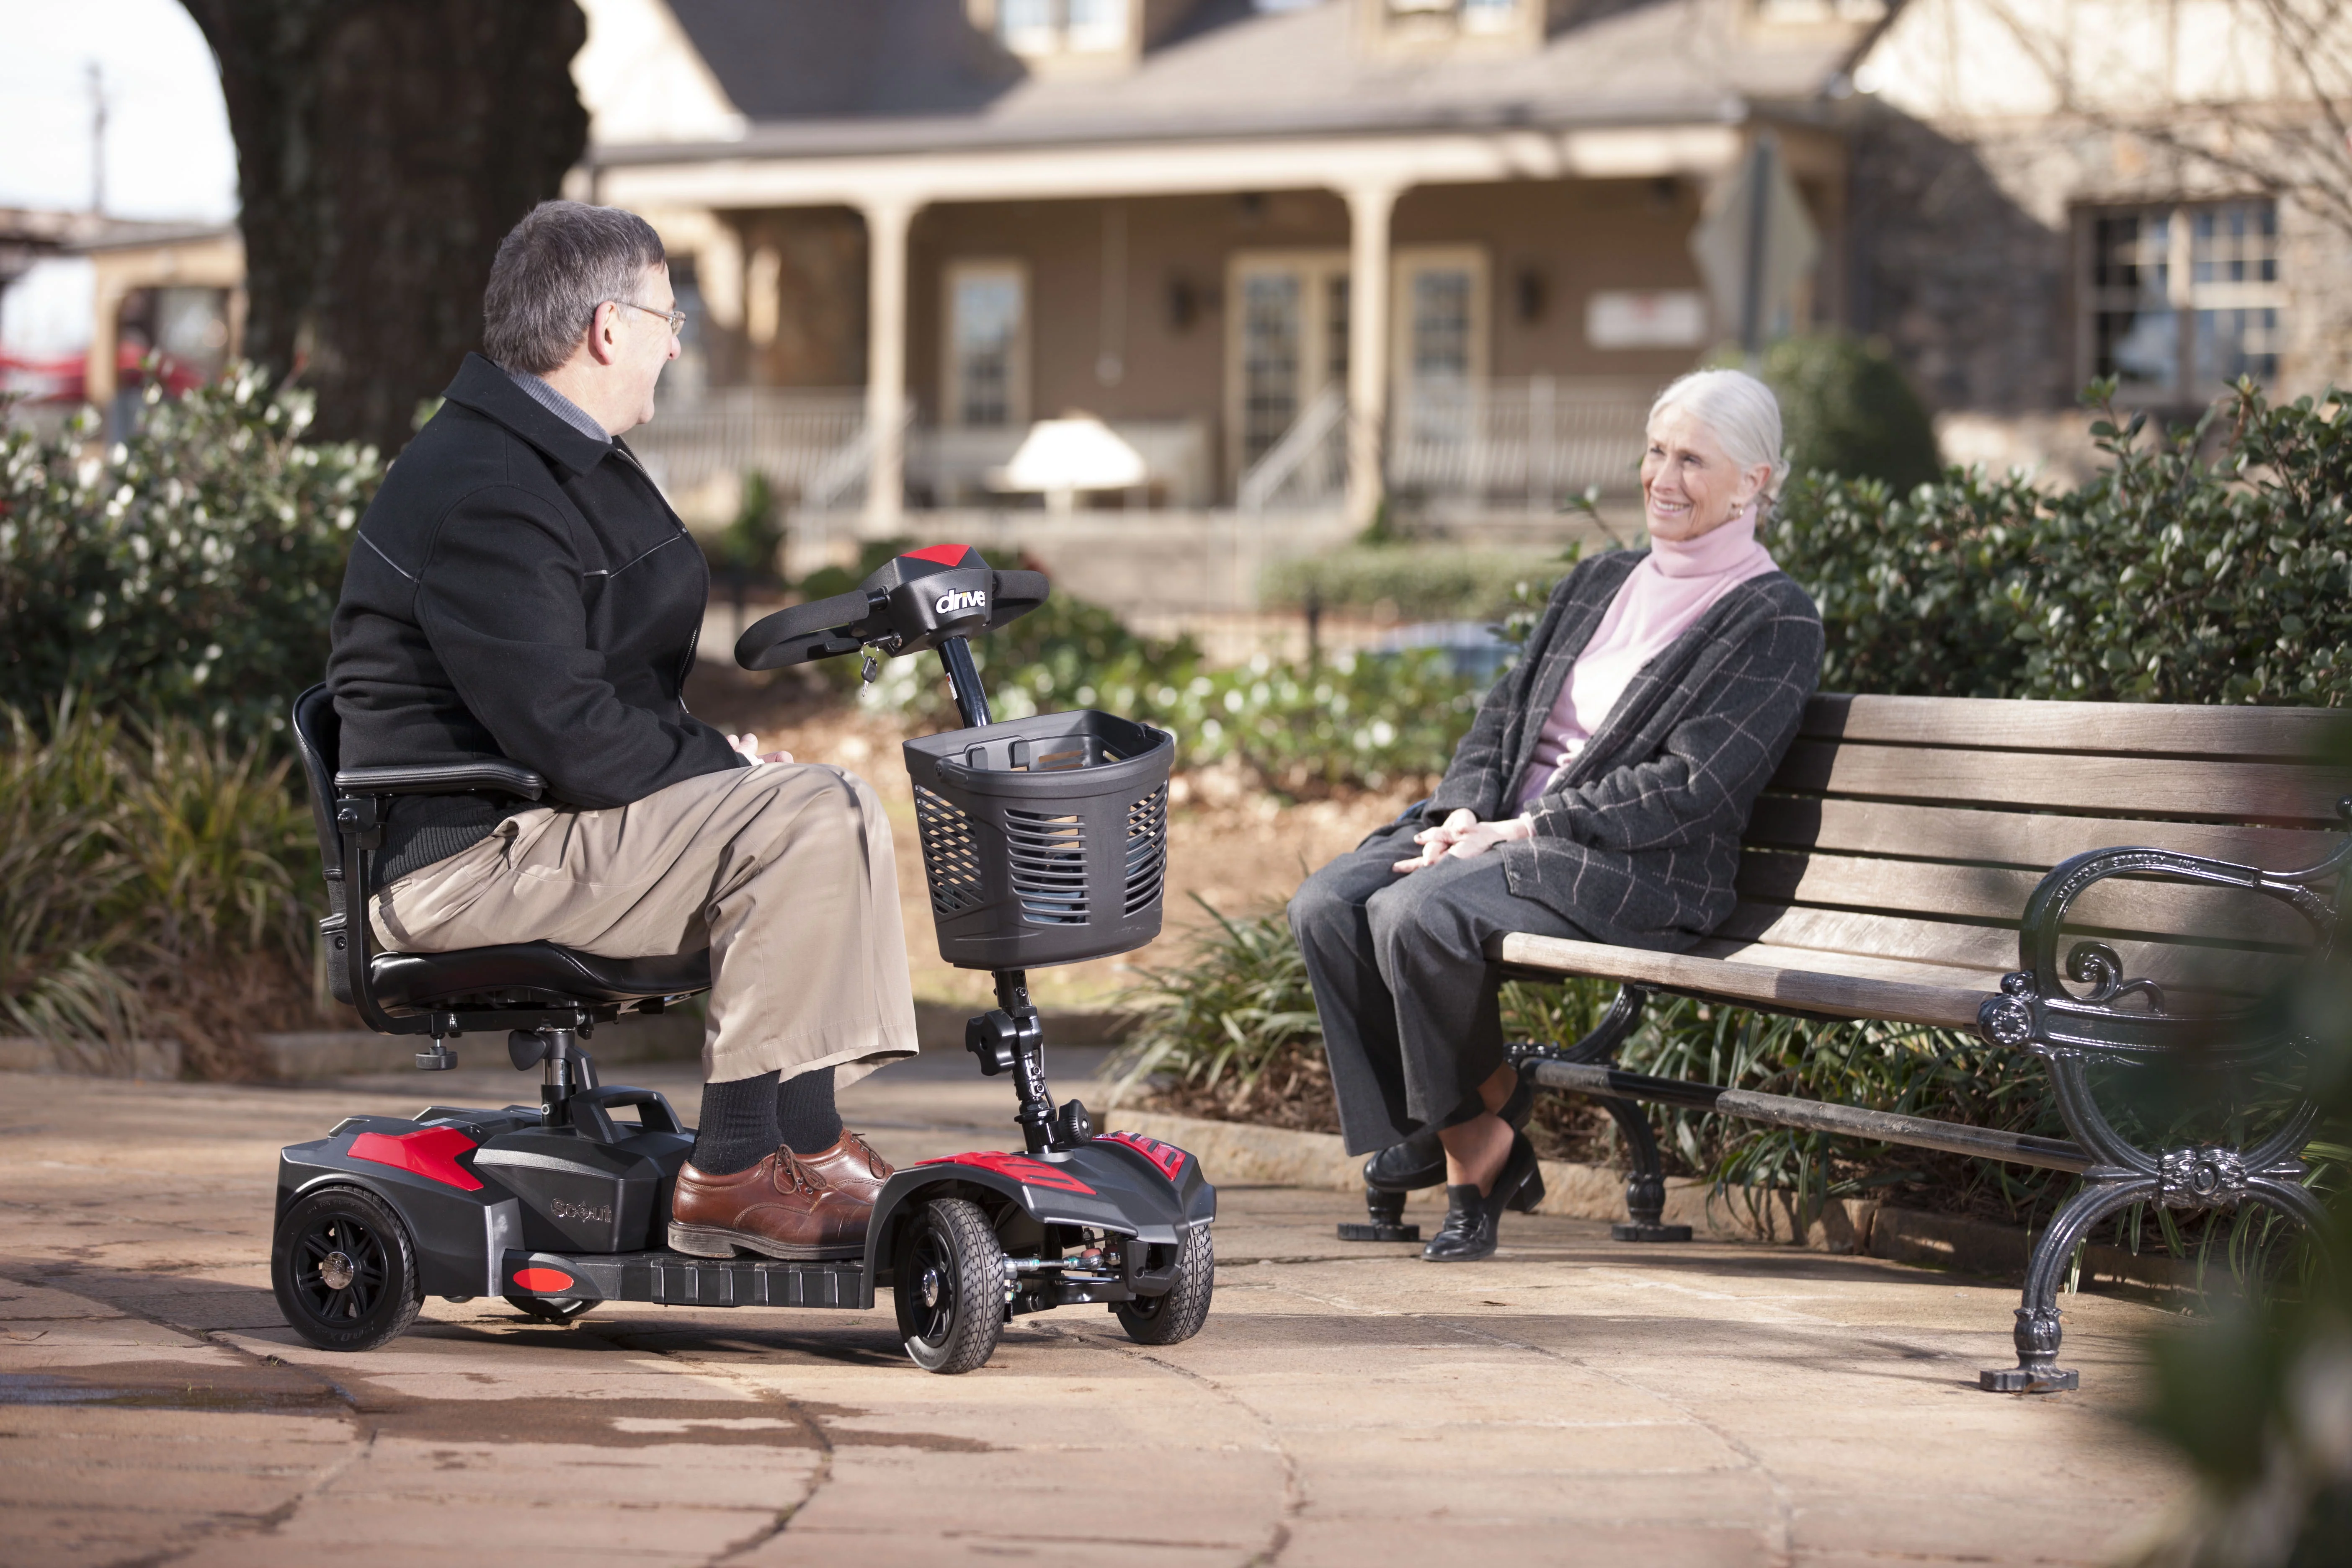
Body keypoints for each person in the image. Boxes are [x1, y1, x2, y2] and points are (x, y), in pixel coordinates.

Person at [327, 200, 918, 1262]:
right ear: (607, 328)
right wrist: (725, 764)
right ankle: (739, 1168)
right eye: (668, 315)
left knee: (825, 804)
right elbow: (573, 734)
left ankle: (806, 1142)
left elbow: (587, 715)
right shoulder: (486, 491)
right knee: (804, 812)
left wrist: (728, 772)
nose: (677, 339)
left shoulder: (548, 458)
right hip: (469, 863)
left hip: (540, 827)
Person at [1287, 369, 1824, 1263]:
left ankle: (1467, 1156)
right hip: (1498, 837)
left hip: (1641, 865)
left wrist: (1523, 829)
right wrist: (1462, 813)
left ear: (1754, 482)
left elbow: (1692, 787)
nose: (1662, 478)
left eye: (1693, 460)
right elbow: (1501, 717)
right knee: (1325, 904)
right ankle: (1476, 1113)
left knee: (1414, 912)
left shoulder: (1774, 619)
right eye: (1657, 451)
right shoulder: (1599, 580)